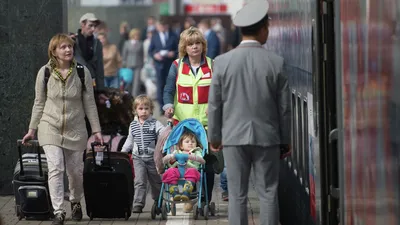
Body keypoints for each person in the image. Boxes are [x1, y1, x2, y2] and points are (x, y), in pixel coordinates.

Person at [207, 1, 292, 225]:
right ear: (263, 28)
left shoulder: (222, 62)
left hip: (233, 138)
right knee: (268, 193)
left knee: (237, 195)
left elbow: (214, 104)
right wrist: (285, 140)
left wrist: (214, 136)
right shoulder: (276, 62)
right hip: (268, 138)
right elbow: (284, 107)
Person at [21, 33, 103, 225]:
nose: (68, 50)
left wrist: (96, 130)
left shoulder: (82, 72)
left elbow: (90, 104)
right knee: (56, 167)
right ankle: (58, 210)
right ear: (54, 51)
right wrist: (32, 129)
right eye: (63, 47)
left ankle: (75, 201)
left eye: (70, 46)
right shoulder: (45, 72)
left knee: (75, 171)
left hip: (76, 127)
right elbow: (39, 102)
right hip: (50, 126)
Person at [163, 26, 224, 213]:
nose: (194, 47)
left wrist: (215, 108)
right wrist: (168, 106)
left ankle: (204, 200)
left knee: (207, 163)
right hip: (183, 125)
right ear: (185, 47)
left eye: (198, 43)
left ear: (203, 45)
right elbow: (168, 90)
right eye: (190, 44)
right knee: (184, 162)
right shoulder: (177, 66)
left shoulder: (213, 65)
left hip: (207, 125)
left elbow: (221, 92)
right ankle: (186, 195)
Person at [121, 95, 165, 213]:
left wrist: (167, 133)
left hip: (152, 158)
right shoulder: (133, 125)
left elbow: (162, 132)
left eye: (146, 108)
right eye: (140, 109)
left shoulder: (154, 123)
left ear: (151, 110)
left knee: (156, 181)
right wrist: (123, 152)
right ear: (135, 110)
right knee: (139, 181)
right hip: (138, 158)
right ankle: (138, 203)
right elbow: (130, 140)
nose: (144, 111)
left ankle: (158, 200)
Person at [162, 131, 205, 201]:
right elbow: (168, 162)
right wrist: (171, 160)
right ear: (181, 145)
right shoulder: (176, 152)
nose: (190, 143)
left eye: (193, 142)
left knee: (193, 171)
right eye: (187, 142)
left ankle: (187, 190)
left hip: (190, 170)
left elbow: (201, 161)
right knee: (170, 170)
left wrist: (195, 158)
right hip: (177, 171)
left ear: (196, 144)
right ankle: (174, 190)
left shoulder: (197, 152)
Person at [148, 19, 179, 114]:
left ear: (166, 26)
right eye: (160, 26)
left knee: (171, 85)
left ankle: (172, 106)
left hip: (170, 64)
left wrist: (173, 53)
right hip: (159, 65)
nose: (161, 28)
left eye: (163, 26)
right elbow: (150, 51)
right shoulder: (155, 36)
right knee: (160, 86)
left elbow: (178, 49)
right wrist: (155, 55)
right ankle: (162, 107)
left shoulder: (173, 35)